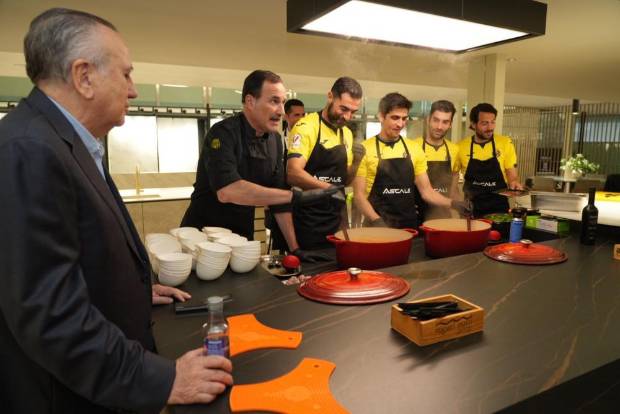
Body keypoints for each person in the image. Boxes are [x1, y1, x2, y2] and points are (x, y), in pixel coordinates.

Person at [0, 8, 235, 414]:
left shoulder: (63, 141)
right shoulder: (29, 150)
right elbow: (51, 318)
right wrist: (165, 380)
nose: (133, 90)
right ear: (84, 76)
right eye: (126, 74)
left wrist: (130, 288)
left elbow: (72, 252)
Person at [181, 70, 336, 261]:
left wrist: (294, 249)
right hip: (203, 239)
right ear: (250, 101)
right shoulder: (223, 133)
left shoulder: (275, 141)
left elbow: (278, 200)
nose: (280, 111)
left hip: (241, 238)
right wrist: (296, 196)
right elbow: (227, 191)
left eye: (282, 102)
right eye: (274, 101)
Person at [353, 93, 470, 228]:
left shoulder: (414, 149)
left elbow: (427, 192)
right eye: (395, 118)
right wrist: (376, 220)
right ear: (381, 116)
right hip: (377, 225)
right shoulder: (365, 149)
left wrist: (454, 204)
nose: (400, 124)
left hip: (408, 225)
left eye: (404, 118)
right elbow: (359, 196)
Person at [287, 77, 366, 249]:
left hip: (336, 218)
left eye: (353, 112)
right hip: (309, 219)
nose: (347, 116)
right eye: (343, 109)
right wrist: (328, 189)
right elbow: (293, 173)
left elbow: (345, 180)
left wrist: (356, 163)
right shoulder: (306, 127)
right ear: (330, 96)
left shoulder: (346, 133)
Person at [458, 103, 523, 217]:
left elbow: (512, 176)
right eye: (484, 123)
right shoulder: (460, 147)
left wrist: (514, 184)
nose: (490, 128)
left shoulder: (505, 143)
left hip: (498, 207)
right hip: (471, 208)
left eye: (492, 122)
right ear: (473, 124)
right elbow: (453, 180)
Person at [412, 100, 461, 220]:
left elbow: (453, 189)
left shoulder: (454, 150)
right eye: (436, 120)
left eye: (445, 122)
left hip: (443, 216)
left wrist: (461, 209)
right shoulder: (413, 147)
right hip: (418, 215)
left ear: (450, 124)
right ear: (428, 119)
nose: (439, 127)